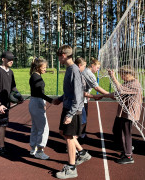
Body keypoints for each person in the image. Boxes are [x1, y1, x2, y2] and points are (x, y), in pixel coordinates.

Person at [53, 45, 91, 179]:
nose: (58, 59)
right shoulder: (70, 69)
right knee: (62, 132)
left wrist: (70, 114)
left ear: (63, 55)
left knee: (69, 137)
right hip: (68, 106)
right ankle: (83, 153)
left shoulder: (74, 70)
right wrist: (60, 99)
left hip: (72, 109)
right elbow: (70, 92)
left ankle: (71, 168)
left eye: (58, 56)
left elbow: (78, 95)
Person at [100, 65, 142, 164]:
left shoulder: (134, 84)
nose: (121, 77)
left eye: (121, 75)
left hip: (129, 113)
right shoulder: (128, 82)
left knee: (125, 133)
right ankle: (126, 148)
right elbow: (117, 94)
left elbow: (120, 90)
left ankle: (128, 155)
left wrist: (113, 76)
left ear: (128, 74)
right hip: (124, 112)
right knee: (116, 129)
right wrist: (102, 95)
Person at [0, 51, 22, 156]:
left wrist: (19, 96)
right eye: (9, 59)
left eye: (12, 59)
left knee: (0, 125)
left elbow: (13, 87)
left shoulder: (10, 72)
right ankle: (1, 147)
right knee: (1, 126)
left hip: (6, 103)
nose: (11, 61)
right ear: (3, 59)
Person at [29, 58, 53, 160]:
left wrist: (43, 102)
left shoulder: (36, 76)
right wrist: (50, 100)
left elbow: (38, 92)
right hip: (36, 102)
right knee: (44, 128)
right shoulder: (35, 77)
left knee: (35, 127)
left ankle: (33, 148)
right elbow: (39, 93)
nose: (45, 69)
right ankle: (39, 151)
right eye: (43, 67)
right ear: (38, 67)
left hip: (36, 102)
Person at [81, 57, 109, 138]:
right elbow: (96, 87)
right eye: (97, 68)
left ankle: (81, 135)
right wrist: (109, 94)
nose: (98, 70)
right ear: (92, 65)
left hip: (84, 98)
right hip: (81, 99)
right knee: (82, 120)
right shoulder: (88, 73)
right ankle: (74, 139)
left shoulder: (88, 72)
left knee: (84, 118)